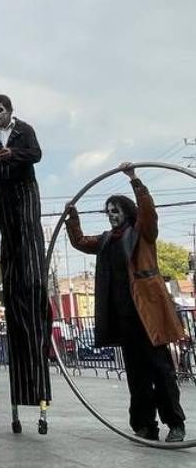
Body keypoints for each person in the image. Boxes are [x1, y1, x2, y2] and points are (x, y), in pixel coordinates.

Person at [65, 163, 186, 443]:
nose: (111, 217)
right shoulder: (107, 240)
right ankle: (144, 425)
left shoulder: (143, 234)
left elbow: (148, 214)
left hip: (149, 318)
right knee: (136, 376)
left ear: (127, 211)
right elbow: (81, 241)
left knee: (162, 372)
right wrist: (72, 217)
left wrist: (135, 181)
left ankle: (175, 424)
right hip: (125, 320)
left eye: (115, 211)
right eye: (107, 213)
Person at [0, 95, 51, 433]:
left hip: (23, 188)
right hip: (1, 192)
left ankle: (31, 272)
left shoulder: (24, 130)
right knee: (11, 238)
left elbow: (36, 154)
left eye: (0, 109)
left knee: (28, 233)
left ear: (10, 110)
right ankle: (18, 268)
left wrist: (12, 154)